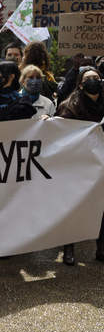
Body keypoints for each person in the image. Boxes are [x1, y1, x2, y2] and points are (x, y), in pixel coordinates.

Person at [55, 66, 104, 265]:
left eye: (97, 78)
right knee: (74, 207)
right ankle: (69, 247)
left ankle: (101, 247)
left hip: (101, 163)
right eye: (88, 78)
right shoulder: (70, 106)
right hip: (78, 164)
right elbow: (60, 131)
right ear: (81, 84)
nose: (93, 81)